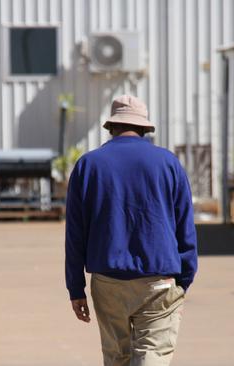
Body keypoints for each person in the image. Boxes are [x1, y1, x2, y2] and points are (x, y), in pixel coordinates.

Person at [65, 94, 198, 366]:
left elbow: (75, 234)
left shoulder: (88, 165)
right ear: (144, 128)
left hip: (107, 281)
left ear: (111, 127)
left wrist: (75, 287)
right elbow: (185, 228)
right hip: (159, 282)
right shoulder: (168, 163)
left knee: (116, 359)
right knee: (152, 357)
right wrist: (184, 279)